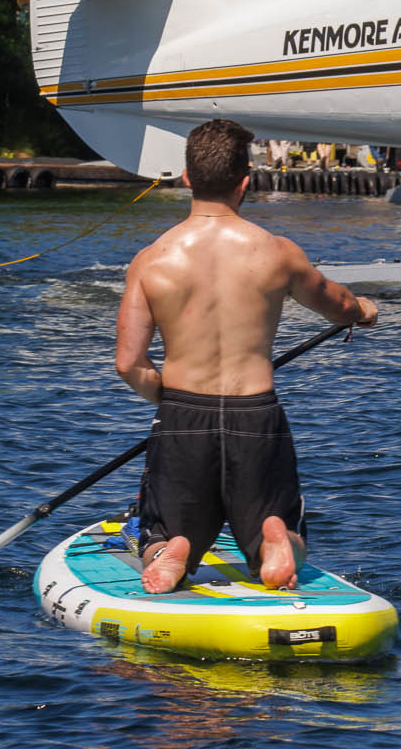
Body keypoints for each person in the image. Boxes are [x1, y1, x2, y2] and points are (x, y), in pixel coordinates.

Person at [115, 118, 378, 594]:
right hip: (255, 415)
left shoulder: (152, 259)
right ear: (246, 182)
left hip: (182, 414)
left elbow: (128, 364)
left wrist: (169, 400)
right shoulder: (277, 253)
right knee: (280, 522)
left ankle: (171, 549)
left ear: (188, 177)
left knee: (159, 528)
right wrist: (363, 309)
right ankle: (274, 541)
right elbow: (338, 306)